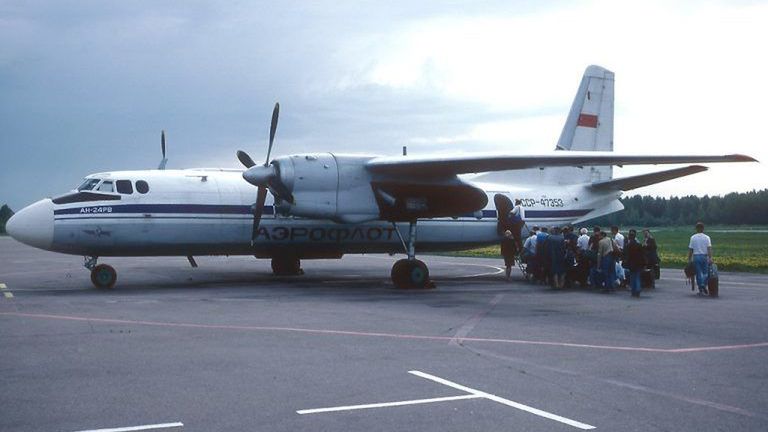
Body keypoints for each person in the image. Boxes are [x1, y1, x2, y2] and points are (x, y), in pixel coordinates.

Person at [687, 222, 713, 295]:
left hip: (696, 256)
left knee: (698, 273)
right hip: (704, 256)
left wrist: (689, 259)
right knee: (706, 273)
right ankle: (703, 284)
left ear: (696, 229)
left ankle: (700, 289)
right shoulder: (707, 237)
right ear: (703, 229)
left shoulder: (693, 237)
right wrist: (710, 257)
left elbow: (691, 250)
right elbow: (709, 248)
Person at [623, 229, 646, 297]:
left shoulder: (628, 246)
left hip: (631, 263)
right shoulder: (639, 244)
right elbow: (642, 254)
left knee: (632, 277)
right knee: (637, 276)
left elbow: (626, 255)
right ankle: (638, 289)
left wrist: (625, 262)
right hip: (638, 263)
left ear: (629, 237)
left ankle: (633, 291)